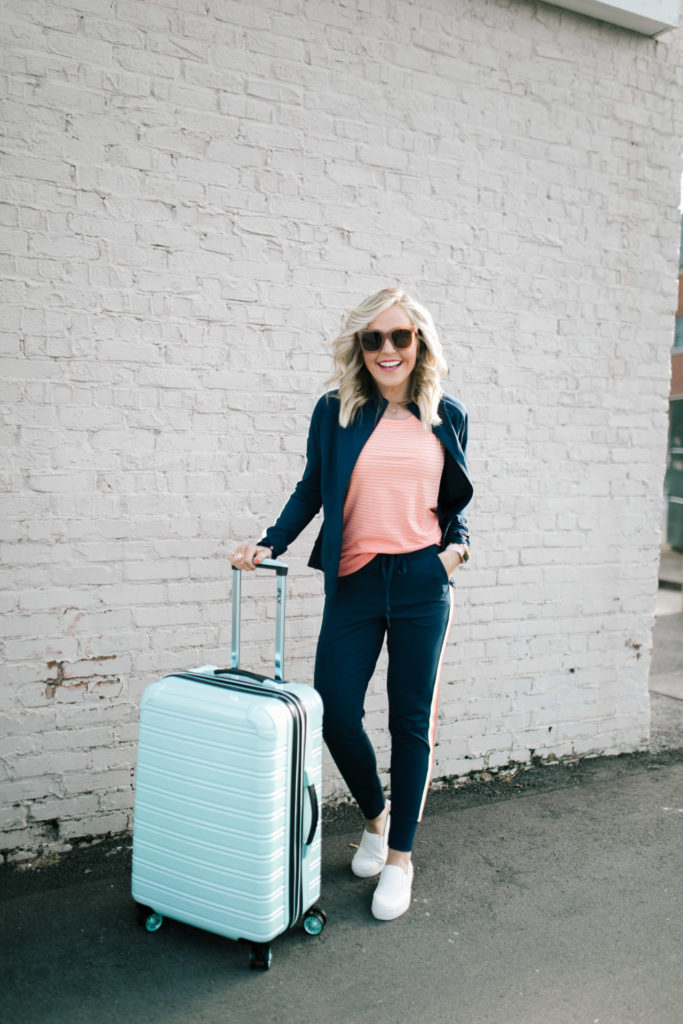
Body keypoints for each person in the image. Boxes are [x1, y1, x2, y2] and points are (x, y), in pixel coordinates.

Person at [230, 287, 473, 921]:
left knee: (409, 722)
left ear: (419, 343)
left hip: (422, 583)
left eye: (400, 337)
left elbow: (455, 500)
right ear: (359, 347)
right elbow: (312, 485)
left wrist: (455, 552)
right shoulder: (335, 411)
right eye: (373, 339)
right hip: (357, 579)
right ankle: (376, 817)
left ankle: (400, 858)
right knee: (335, 709)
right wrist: (269, 540)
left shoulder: (446, 414)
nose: (387, 350)